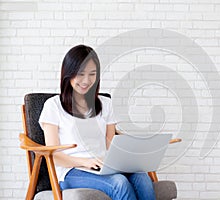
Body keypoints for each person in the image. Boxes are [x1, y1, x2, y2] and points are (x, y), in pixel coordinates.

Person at [39, 44, 156, 200]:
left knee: (142, 177)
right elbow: (53, 155)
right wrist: (85, 162)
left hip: (104, 167)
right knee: (119, 183)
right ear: (69, 74)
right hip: (71, 171)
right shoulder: (53, 106)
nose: (86, 81)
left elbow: (111, 145)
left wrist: (132, 156)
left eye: (92, 74)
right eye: (80, 74)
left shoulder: (105, 104)